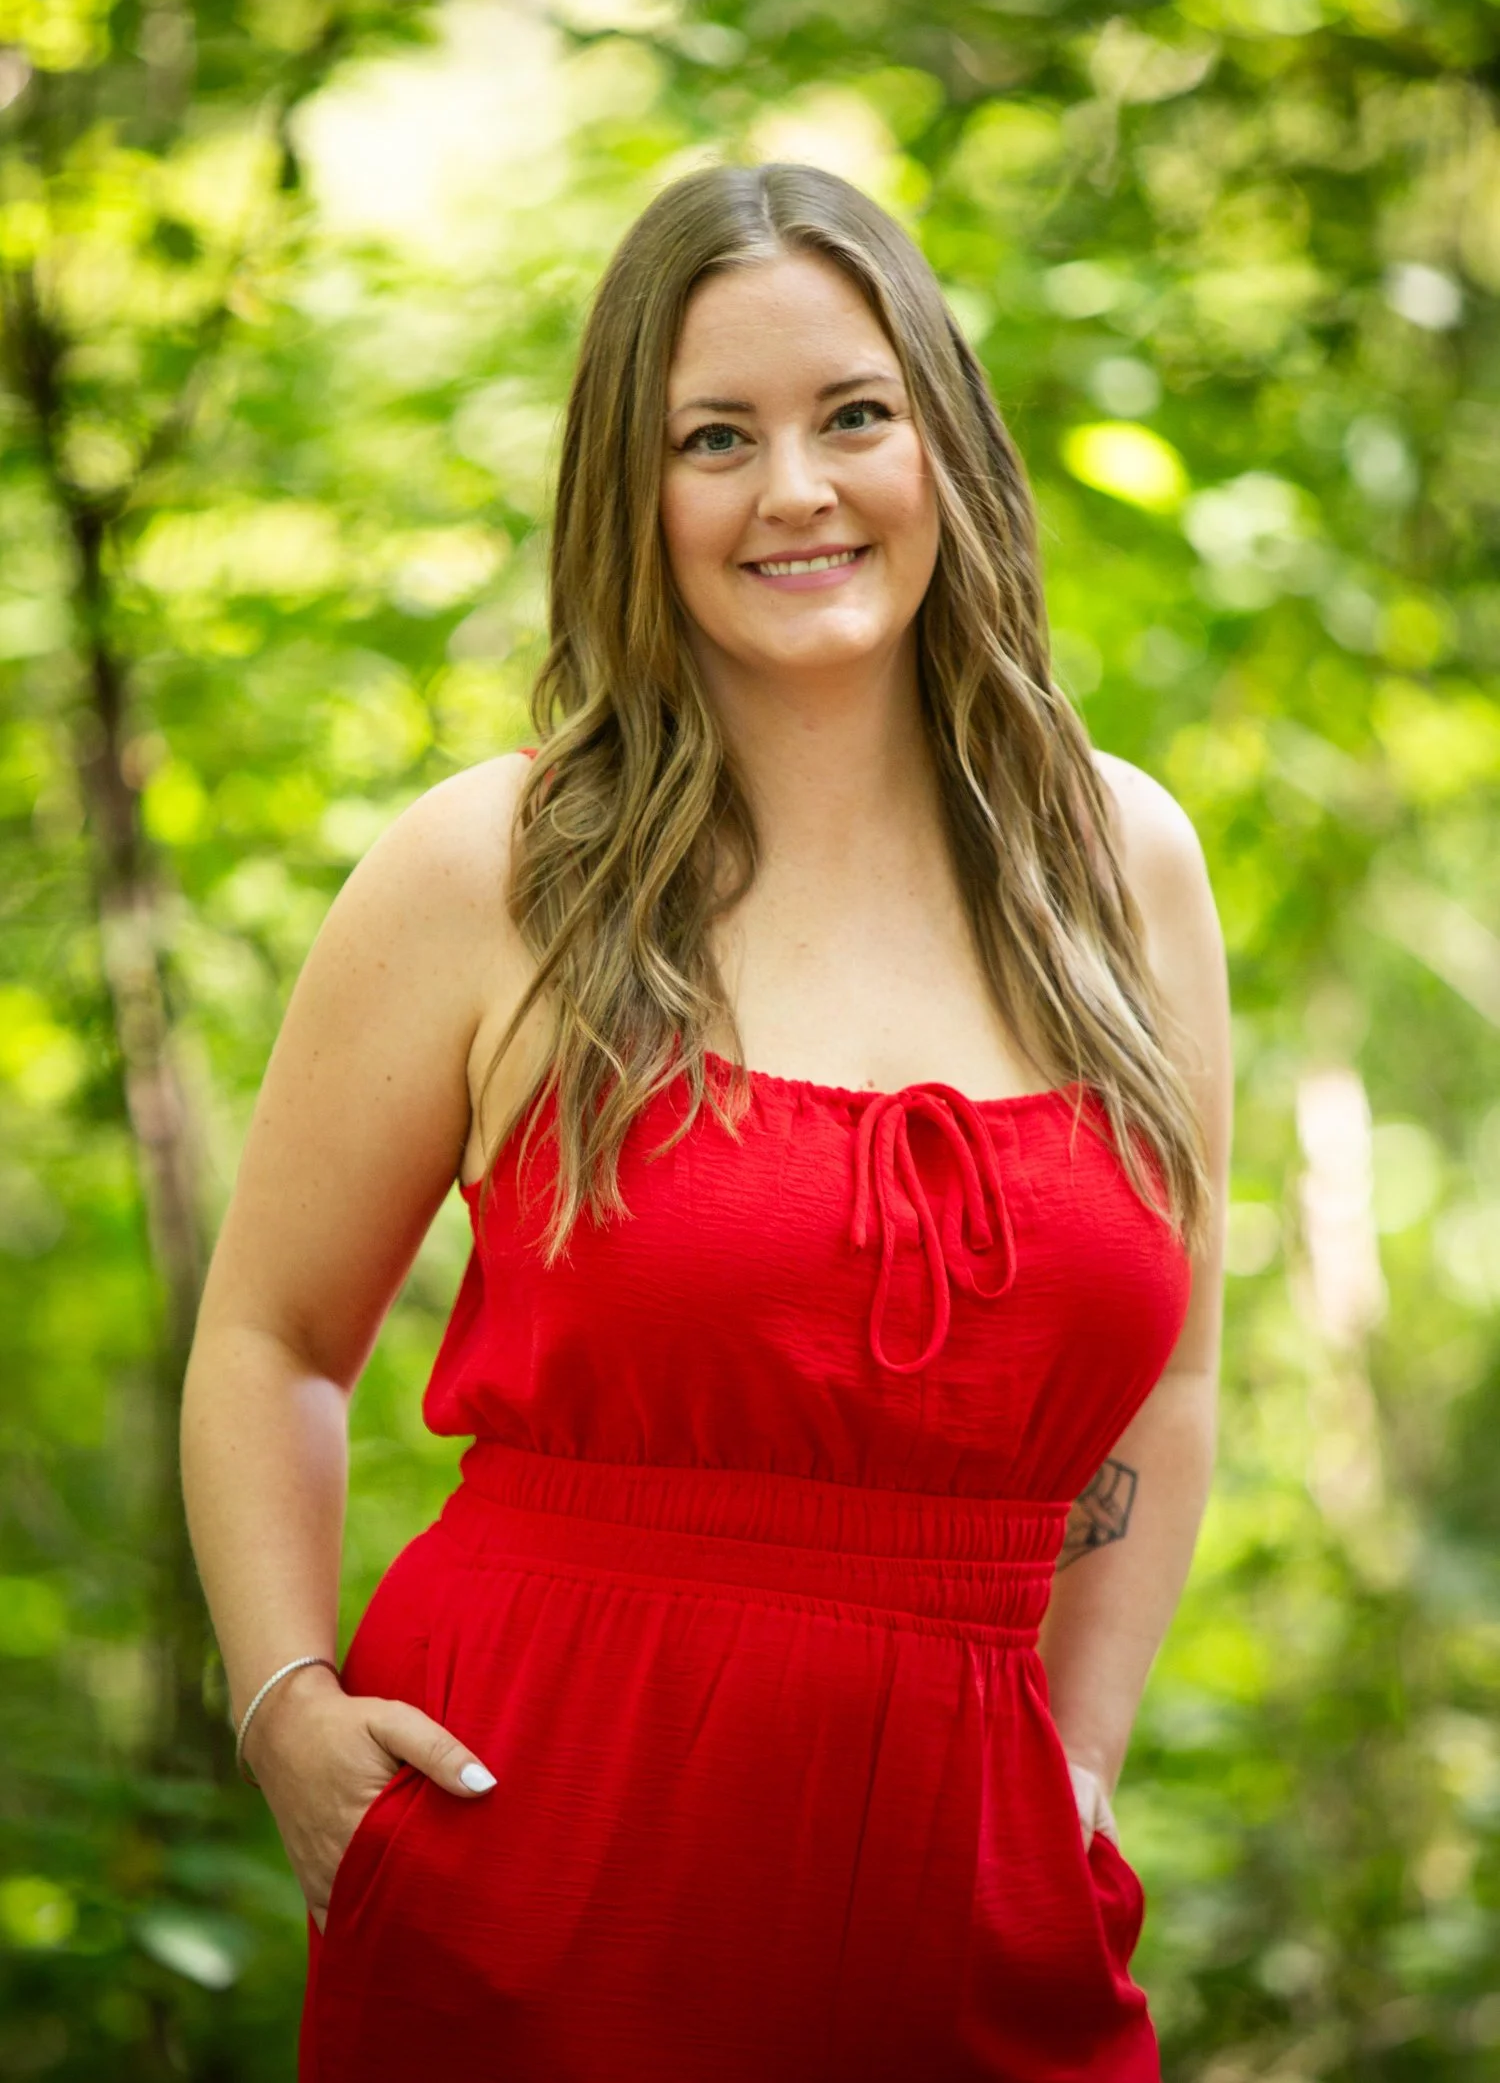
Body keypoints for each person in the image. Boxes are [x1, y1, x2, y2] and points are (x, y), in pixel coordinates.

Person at [180, 160, 1230, 2082]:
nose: (796, 491)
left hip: (980, 1874)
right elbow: (273, 1339)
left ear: (945, 442)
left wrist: (1079, 1763)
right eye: (713, 438)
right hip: (540, 1849)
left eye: (853, 416)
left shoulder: (1120, 865)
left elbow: (1170, 1386)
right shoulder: (492, 871)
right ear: (628, 493)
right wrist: (285, 1707)